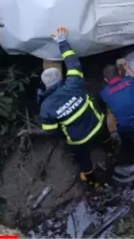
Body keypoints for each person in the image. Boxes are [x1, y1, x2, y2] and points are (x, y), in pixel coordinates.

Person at [21, 27, 107, 185]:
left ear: (45, 86)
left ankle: (90, 179)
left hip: (79, 140)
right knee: (104, 136)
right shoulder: (73, 83)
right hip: (98, 124)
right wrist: (62, 42)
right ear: (60, 78)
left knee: (83, 160)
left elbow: (51, 131)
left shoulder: (46, 108)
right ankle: (109, 147)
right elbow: (73, 62)